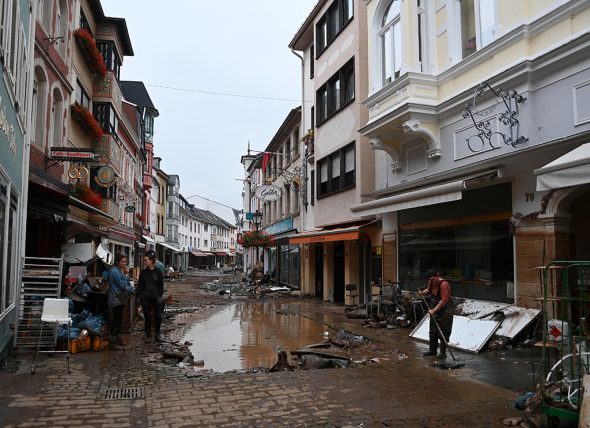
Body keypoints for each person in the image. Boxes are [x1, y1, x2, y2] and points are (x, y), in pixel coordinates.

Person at [104, 253, 135, 350]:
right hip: (116, 299)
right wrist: (131, 288)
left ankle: (117, 339)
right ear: (117, 262)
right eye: (123, 261)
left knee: (118, 320)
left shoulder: (117, 270)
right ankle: (113, 341)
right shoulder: (115, 272)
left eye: (125, 261)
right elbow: (122, 285)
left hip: (119, 298)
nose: (124, 263)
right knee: (116, 320)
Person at [419, 274, 454, 359]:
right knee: (433, 332)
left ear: (437, 276)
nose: (431, 281)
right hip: (435, 311)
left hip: (445, 311)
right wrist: (424, 293)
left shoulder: (444, 284)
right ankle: (432, 350)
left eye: (433, 279)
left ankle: (442, 353)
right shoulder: (431, 282)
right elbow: (429, 290)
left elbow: (444, 300)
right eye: (430, 279)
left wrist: (433, 310)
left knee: (444, 333)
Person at [136, 252, 165, 343]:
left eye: (146, 260)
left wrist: (159, 295)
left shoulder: (158, 272)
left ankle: (157, 334)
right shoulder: (143, 273)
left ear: (151, 261)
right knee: (147, 316)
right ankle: (148, 335)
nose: (144, 262)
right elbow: (140, 286)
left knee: (158, 315)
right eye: (144, 260)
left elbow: (161, 286)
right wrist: (139, 298)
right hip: (145, 298)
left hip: (156, 297)